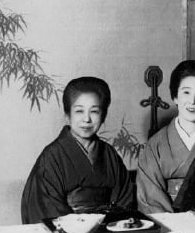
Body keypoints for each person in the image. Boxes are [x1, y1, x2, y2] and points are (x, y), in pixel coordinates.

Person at [21, 76, 135, 223]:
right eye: (79, 111)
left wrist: (111, 225)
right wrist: (82, 227)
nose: (86, 119)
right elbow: (46, 208)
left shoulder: (109, 155)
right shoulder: (51, 157)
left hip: (108, 229)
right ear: (67, 115)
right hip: (68, 231)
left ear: (103, 116)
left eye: (94, 111)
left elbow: (125, 201)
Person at [135, 60, 195, 213]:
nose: (192, 101)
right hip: (168, 221)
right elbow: (150, 200)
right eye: (186, 92)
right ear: (175, 97)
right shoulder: (156, 144)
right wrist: (173, 223)